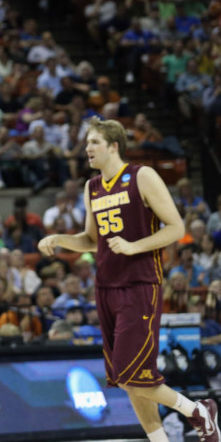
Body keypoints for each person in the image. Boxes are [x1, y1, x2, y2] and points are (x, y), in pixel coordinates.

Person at [38, 117, 218, 442]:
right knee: (130, 377)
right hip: (106, 287)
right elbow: (93, 240)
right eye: (87, 142)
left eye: (94, 142)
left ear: (113, 146)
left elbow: (176, 228)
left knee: (130, 376)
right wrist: (60, 239)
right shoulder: (91, 187)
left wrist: (135, 246)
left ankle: (197, 411)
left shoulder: (142, 176)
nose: (87, 148)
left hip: (140, 285)